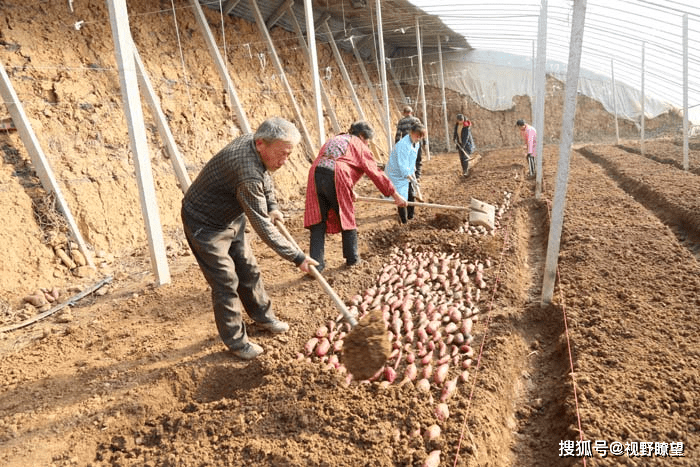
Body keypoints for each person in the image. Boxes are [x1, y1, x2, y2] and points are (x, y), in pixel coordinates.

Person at [181, 117, 318, 360]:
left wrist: (272, 205)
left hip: (230, 216)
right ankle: (237, 342)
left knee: (249, 268)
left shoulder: (255, 146)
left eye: (289, 155)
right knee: (225, 280)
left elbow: (266, 176)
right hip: (205, 223)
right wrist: (297, 257)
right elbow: (263, 227)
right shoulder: (246, 173)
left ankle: (263, 317)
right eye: (282, 154)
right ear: (261, 144)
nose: (285, 161)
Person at [304, 121, 407, 272]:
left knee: (318, 221)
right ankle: (352, 259)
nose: (367, 144)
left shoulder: (335, 139)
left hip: (315, 173)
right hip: (337, 174)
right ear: (361, 136)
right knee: (346, 214)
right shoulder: (358, 143)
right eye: (367, 141)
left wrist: (349, 189)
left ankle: (316, 265)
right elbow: (374, 172)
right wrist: (395, 195)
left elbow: (336, 163)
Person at [385, 121, 426, 224]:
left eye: (421, 137)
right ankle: (404, 221)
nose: (419, 139)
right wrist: (410, 176)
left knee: (411, 194)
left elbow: (412, 159)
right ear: (411, 133)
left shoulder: (416, 143)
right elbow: (402, 165)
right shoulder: (403, 145)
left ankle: (411, 217)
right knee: (402, 197)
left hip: (407, 171)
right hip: (396, 173)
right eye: (417, 136)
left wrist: (413, 174)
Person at [394, 105, 423, 180]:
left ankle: (409, 175)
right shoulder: (416, 120)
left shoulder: (401, 121)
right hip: (416, 141)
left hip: (406, 143)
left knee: (407, 159)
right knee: (418, 159)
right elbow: (421, 131)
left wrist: (397, 144)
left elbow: (398, 134)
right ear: (411, 112)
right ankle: (417, 175)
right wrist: (424, 142)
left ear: (404, 113)